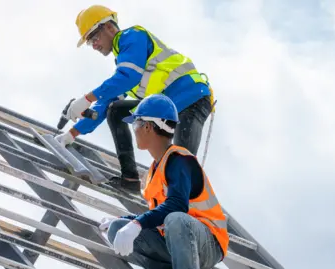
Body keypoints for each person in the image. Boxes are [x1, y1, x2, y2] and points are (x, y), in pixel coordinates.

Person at [55, 4, 215, 194]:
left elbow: (127, 76)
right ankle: (130, 179)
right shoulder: (125, 61)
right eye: (91, 42)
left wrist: (86, 98)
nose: (95, 45)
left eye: (94, 38)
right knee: (115, 109)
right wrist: (71, 134)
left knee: (178, 171)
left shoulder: (132, 37)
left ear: (109, 27)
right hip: (168, 106)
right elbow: (105, 105)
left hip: (191, 98)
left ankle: (182, 215)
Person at [98, 94, 229, 268]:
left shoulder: (180, 160)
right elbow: (160, 214)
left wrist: (137, 224)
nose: (133, 129)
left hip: (207, 242)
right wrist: (125, 220)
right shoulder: (155, 170)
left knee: (176, 219)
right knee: (117, 229)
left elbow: (177, 206)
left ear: (148, 127)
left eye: (135, 123)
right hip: (175, 239)